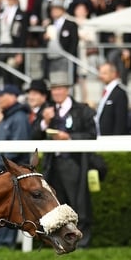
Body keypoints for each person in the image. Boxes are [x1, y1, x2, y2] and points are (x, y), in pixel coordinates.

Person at [36, 72, 97, 248]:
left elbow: (92, 135)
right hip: (52, 164)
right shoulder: (47, 110)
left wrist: (69, 138)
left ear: (67, 90)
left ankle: (83, 241)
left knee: (79, 203)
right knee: (55, 205)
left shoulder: (82, 110)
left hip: (74, 163)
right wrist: (44, 122)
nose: (56, 92)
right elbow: (34, 135)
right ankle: (60, 241)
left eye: (60, 89)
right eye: (54, 89)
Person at [0, 83, 31, 249]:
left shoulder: (19, 117)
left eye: (3, 95)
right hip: (4, 169)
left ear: (14, 97)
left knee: (10, 208)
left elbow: (16, 147)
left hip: (11, 171)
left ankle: (6, 243)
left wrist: (2, 165)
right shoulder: (8, 116)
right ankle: (0, 242)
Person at [95, 62, 129, 137]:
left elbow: (121, 122)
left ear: (114, 74)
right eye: (100, 73)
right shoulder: (106, 91)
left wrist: (115, 142)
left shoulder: (119, 93)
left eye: (104, 73)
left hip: (112, 141)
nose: (101, 76)